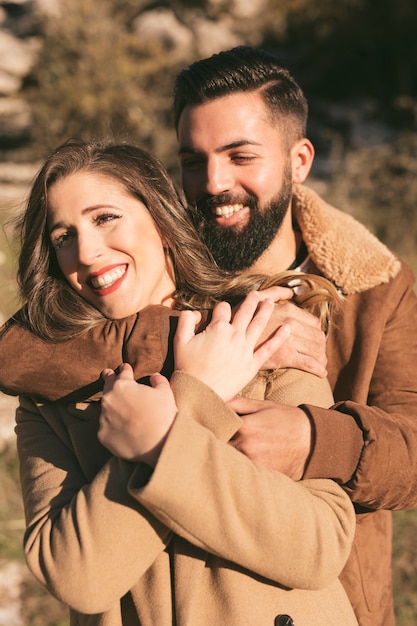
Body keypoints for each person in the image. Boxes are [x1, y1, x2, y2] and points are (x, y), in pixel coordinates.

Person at [0, 139, 358, 625]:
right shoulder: (49, 397)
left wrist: (164, 439)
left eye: (105, 218)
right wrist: (196, 398)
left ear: (163, 223)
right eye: (64, 236)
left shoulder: (264, 333)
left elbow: (319, 547)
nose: (85, 250)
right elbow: (79, 578)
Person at [172, 45, 417, 626]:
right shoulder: (149, 272)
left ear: (299, 159)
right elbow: (24, 351)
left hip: (332, 606)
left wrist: (315, 438)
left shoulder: (376, 287)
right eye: (192, 159)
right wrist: (214, 334)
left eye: (240, 156)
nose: (212, 182)